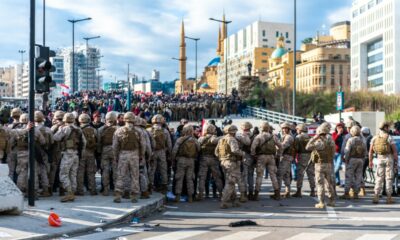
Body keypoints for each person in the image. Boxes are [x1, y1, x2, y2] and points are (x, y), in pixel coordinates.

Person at [53, 113, 86, 202]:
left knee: (63, 174)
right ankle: (73, 193)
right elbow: (84, 142)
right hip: (76, 154)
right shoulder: (78, 129)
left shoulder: (64, 128)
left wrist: (59, 128)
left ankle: (69, 192)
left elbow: (55, 138)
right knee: (73, 174)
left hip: (67, 154)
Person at [113, 112, 144, 203]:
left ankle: (118, 194)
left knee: (121, 175)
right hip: (135, 154)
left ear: (124, 119)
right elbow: (143, 145)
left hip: (123, 154)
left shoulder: (119, 130)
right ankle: (134, 195)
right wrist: (141, 155)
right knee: (135, 175)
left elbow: (115, 146)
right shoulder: (138, 131)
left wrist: (116, 156)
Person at [215, 125, 245, 209]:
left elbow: (216, 152)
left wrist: (223, 158)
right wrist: (242, 153)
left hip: (224, 162)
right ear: (234, 132)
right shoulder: (232, 139)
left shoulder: (221, 139)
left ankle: (234, 200)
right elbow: (235, 150)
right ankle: (224, 201)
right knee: (231, 183)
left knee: (230, 181)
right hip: (231, 163)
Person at [306, 125, 336, 208]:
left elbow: (307, 147)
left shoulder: (319, 142)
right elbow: (333, 152)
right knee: (329, 183)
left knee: (320, 184)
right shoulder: (331, 141)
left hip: (320, 164)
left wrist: (313, 138)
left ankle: (321, 202)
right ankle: (332, 201)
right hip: (329, 164)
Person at [251, 122, 282, 201]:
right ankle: (277, 194)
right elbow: (280, 146)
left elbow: (253, 147)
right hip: (271, 157)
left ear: (261, 128)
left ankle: (256, 194)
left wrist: (254, 155)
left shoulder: (258, 136)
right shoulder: (273, 136)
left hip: (261, 157)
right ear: (268, 128)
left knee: (259, 176)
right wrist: (278, 155)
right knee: (273, 175)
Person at [369, 122, 398, 204]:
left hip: (379, 159)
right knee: (389, 178)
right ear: (385, 128)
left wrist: (370, 161)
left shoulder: (375, 137)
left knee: (379, 178)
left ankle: (376, 196)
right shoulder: (389, 137)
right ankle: (389, 198)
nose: (389, 128)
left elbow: (370, 152)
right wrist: (396, 162)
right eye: (388, 127)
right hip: (389, 159)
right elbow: (395, 152)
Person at [171, 124, 200, 203]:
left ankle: (177, 196)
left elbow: (174, 151)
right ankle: (190, 197)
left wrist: (173, 160)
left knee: (179, 178)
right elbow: (198, 150)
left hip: (181, 160)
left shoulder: (180, 139)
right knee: (190, 179)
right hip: (191, 161)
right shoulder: (195, 140)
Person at [197, 124, 223, 200]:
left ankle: (200, 194)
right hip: (214, 159)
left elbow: (198, 149)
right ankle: (221, 194)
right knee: (217, 177)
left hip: (204, 159)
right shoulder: (215, 138)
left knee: (202, 177)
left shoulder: (201, 139)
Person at [341, 125, 367, 200]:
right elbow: (365, 151)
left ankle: (346, 193)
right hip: (360, 160)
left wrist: (346, 160)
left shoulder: (351, 140)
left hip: (352, 160)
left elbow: (347, 151)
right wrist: (362, 159)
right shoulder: (363, 140)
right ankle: (356, 193)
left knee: (349, 176)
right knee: (358, 176)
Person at [148, 114, 172, 194]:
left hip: (152, 152)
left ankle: (150, 186)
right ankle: (164, 186)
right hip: (162, 152)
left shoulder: (149, 130)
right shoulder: (165, 131)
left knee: (152, 169)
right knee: (163, 169)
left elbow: (147, 143)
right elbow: (169, 144)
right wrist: (170, 154)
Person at [77, 113, 98, 195]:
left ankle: (80, 190)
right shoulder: (94, 130)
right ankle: (93, 189)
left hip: (82, 153)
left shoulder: (78, 129)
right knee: (91, 172)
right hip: (91, 153)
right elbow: (97, 140)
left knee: (80, 172)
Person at [98, 111, 118, 196]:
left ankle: (105, 190)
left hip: (105, 151)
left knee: (105, 170)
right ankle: (116, 190)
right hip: (114, 150)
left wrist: (99, 152)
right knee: (115, 170)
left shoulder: (101, 129)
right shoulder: (119, 129)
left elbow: (99, 142)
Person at [293, 123, 315, 198]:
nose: (297, 130)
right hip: (310, 156)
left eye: (297, 129)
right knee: (311, 174)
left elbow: (296, 148)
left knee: (300, 174)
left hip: (302, 156)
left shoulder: (298, 137)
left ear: (300, 129)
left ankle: (299, 191)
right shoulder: (310, 137)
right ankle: (312, 191)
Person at [279, 122, 295, 198]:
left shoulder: (288, 137)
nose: (284, 130)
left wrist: (276, 146)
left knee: (280, 174)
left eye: (286, 128)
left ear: (288, 129)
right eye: (283, 128)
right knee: (287, 175)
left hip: (286, 157)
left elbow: (283, 146)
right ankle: (287, 192)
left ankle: (277, 192)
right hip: (287, 157)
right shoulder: (286, 136)